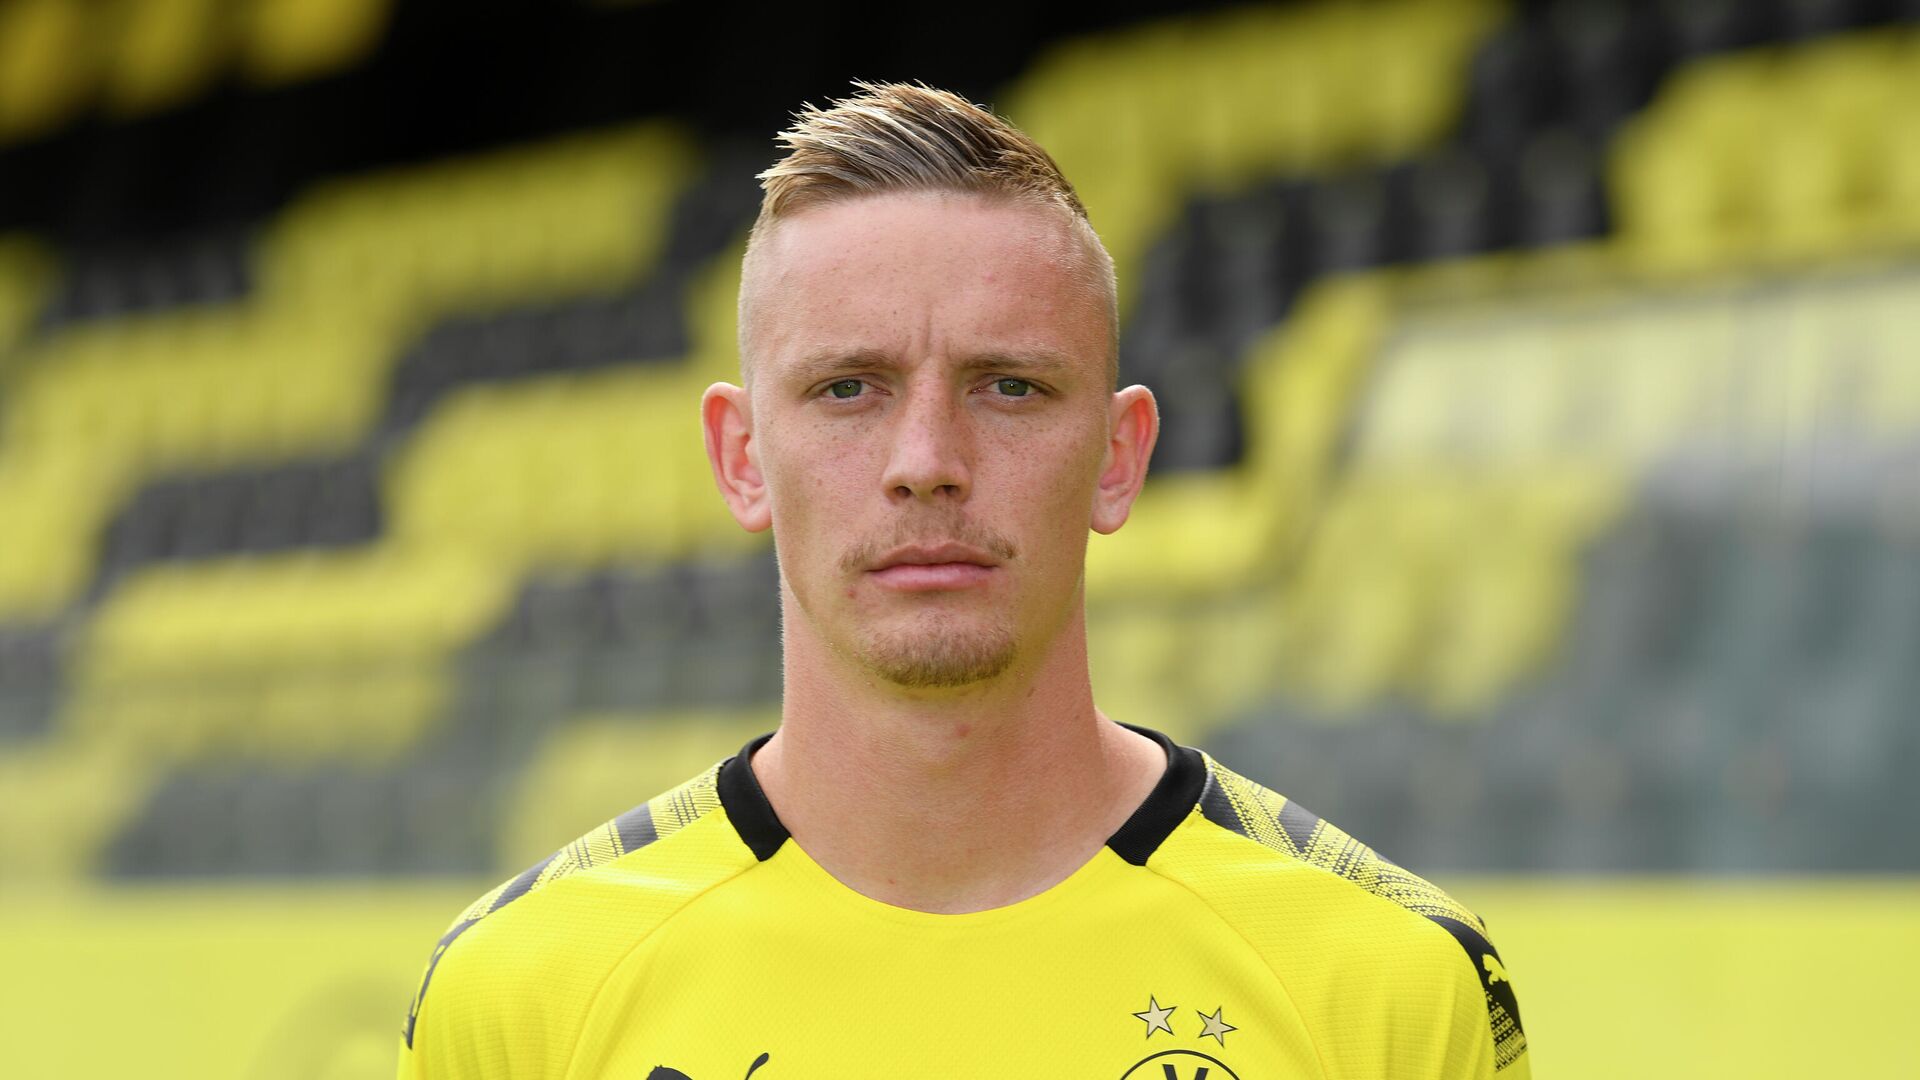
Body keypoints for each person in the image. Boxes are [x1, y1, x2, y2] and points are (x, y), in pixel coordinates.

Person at [397, 81, 1529, 1080]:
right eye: (848, 388)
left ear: (1120, 458)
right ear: (742, 458)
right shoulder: (518, 1001)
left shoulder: (1388, 989)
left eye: (1010, 387)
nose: (926, 462)